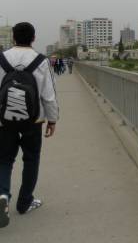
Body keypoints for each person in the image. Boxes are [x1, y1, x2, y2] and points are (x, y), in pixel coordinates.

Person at [0, 22, 59, 228]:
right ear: (33, 38)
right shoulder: (41, 61)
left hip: (4, 120)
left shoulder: (2, 58)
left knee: (4, 160)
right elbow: (48, 95)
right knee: (31, 159)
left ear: (13, 38)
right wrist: (52, 119)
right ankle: (25, 202)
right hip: (33, 120)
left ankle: (2, 195)